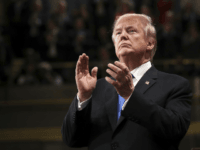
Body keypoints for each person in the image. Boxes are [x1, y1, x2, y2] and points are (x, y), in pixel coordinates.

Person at [61, 13, 192, 150]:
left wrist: (130, 96)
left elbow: (175, 129)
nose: (122, 36)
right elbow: (71, 139)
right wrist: (83, 97)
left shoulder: (175, 85)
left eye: (131, 31)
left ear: (150, 43)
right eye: (118, 33)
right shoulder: (96, 88)